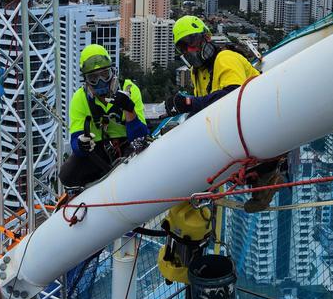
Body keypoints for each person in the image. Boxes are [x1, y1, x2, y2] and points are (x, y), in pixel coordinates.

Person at [164, 15, 285, 212]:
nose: (190, 50)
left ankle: (265, 174)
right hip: (241, 126)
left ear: (207, 38)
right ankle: (259, 176)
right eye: (184, 47)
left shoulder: (225, 58)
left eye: (193, 41)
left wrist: (188, 102)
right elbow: (206, 107)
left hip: (259, 119)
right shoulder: (199, 72)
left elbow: (233, 96)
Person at [59, 44, 149, 192]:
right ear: (86, 80)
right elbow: (75, 140)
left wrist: (129, 110)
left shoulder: (129, 90)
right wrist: (82, 144)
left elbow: (140, 138)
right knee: (67, 174)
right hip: (98, 152)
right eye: (93, 78)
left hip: (128, 145)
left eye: (105, 75)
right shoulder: (80, 99)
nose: (100, 82)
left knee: (141, 152)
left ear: (112, 72)